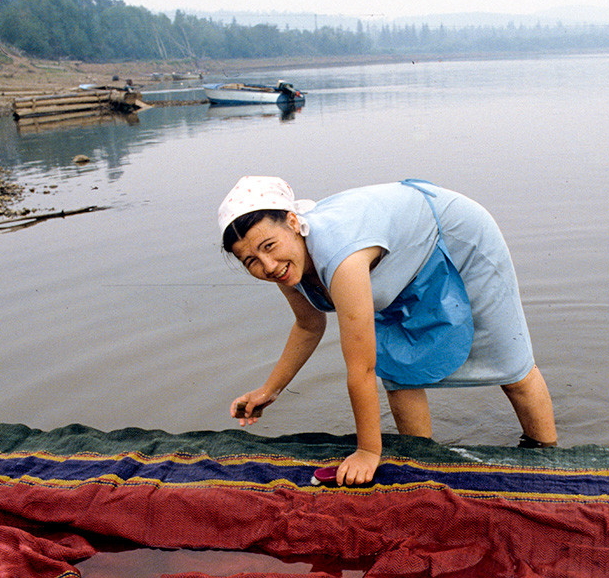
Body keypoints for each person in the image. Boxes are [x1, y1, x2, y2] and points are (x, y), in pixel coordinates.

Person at [220, 176, 556, 485]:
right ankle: (422, 466)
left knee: (510, 366)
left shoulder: (342, 257)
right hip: (395, 260)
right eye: (250, 261)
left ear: (293, 223)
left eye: (269, 246)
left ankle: (548, 458)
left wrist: (368, 452)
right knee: (398, 368)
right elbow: (309, 325)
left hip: (453, 235)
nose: (267, 266)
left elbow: (361, 369)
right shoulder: (284, 266)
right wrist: (269, 390)